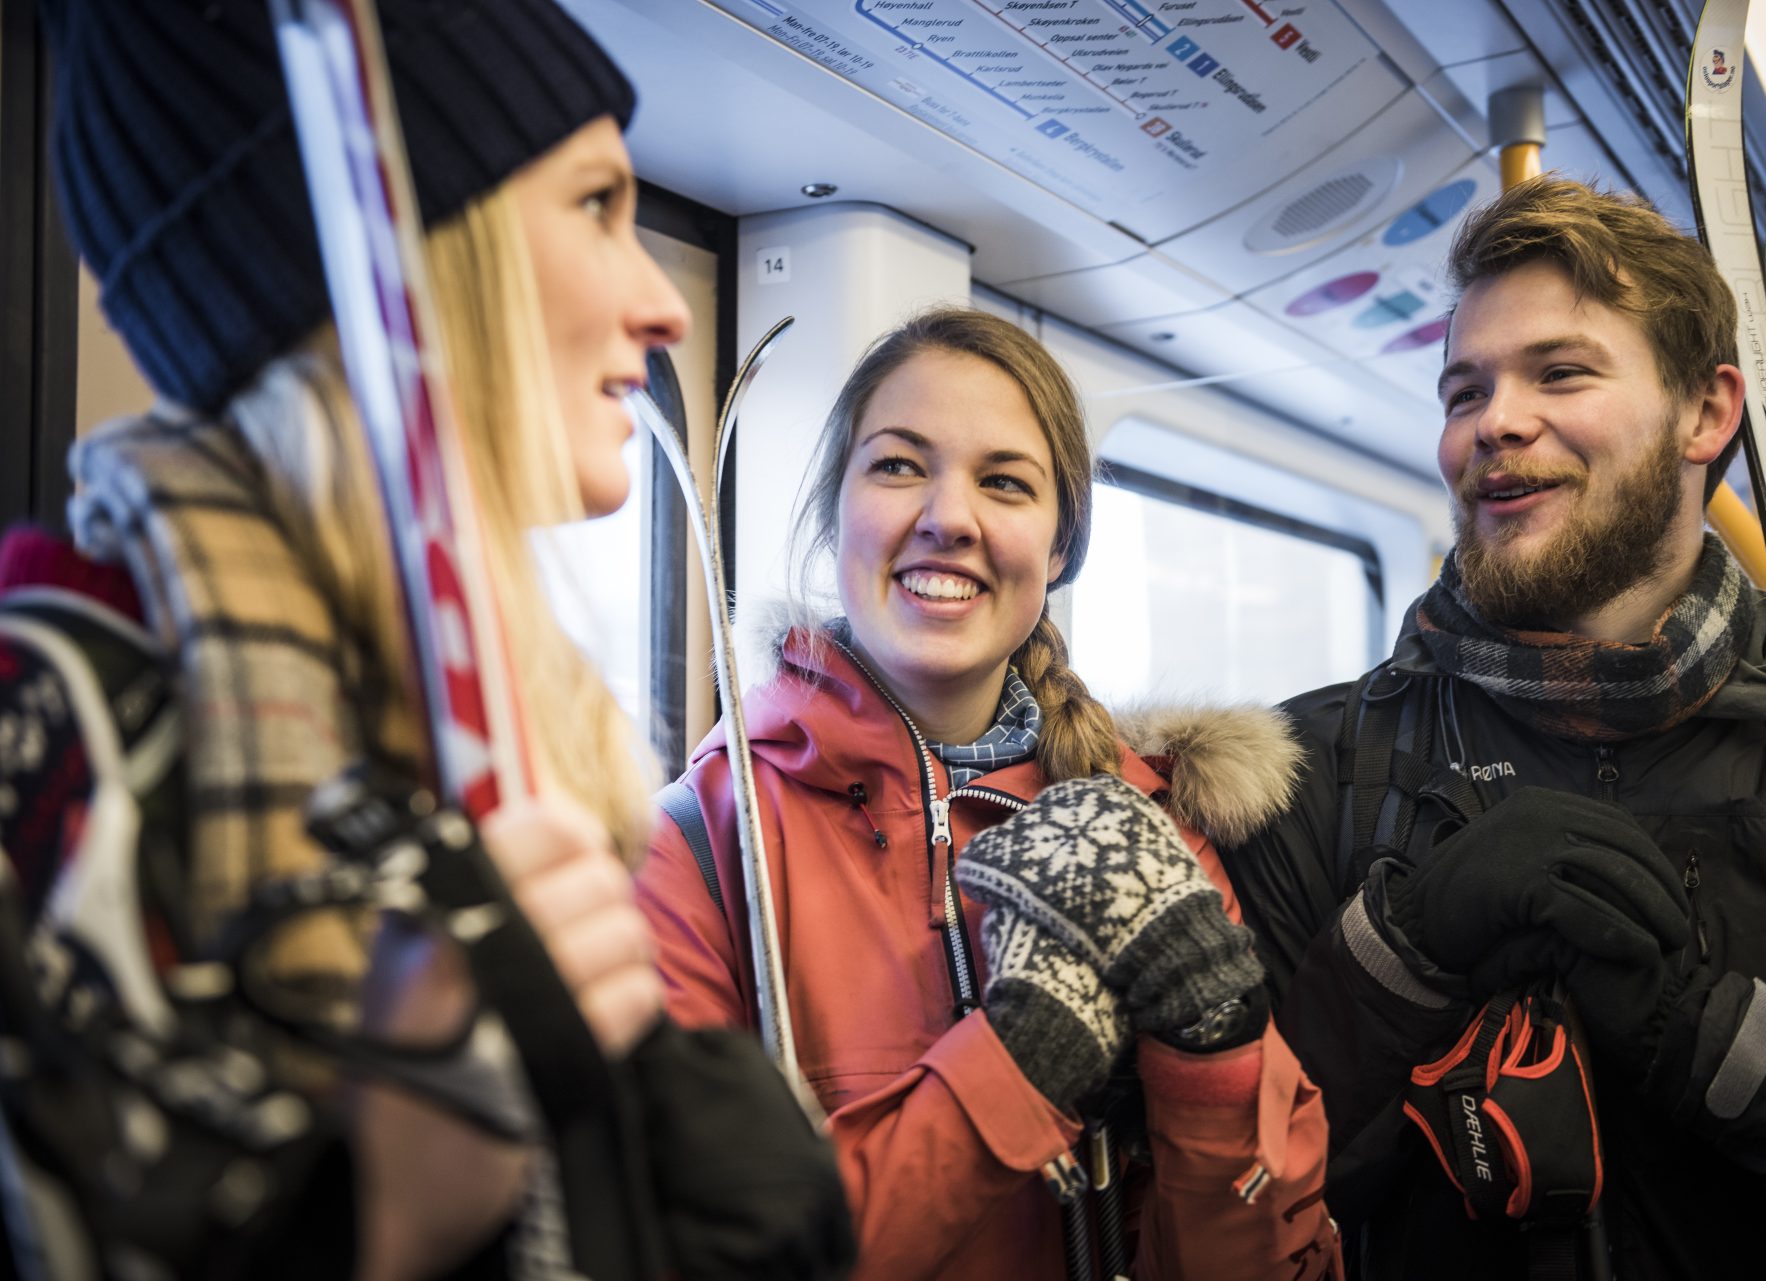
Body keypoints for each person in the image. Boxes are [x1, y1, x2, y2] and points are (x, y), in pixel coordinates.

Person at [1, 2, 846, 1278]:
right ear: (405, 262)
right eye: (595, 206)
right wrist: (384, 1215)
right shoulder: (48, 745)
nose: (660, 306)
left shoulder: (468, 730)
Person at [1217, 175, 1766, 1279]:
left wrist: (1706, 1039)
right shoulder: (1312, 774)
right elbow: (1233, 1194)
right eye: (1464, 391)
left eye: (1560, 372)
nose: (1495, 420)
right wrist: (1403, 952)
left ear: (1705, 412)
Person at [635, 306, 1342, 1280]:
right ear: (834, 510)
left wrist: (1214, 1060)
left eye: (1004, 482)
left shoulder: (1145, 822)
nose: (950, 516)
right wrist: (1016, 1067)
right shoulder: (705, 843)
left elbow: (1264, 1262)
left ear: (1058, 550)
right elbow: (698, 1249)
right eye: (897, 465)